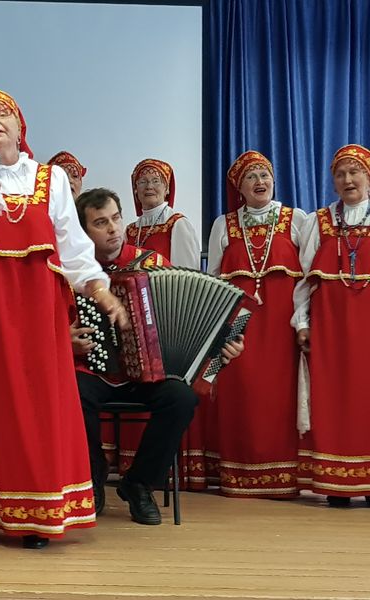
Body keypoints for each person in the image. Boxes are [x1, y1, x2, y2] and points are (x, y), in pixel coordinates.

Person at [0, 89, 128, 550]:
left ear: (19, 127)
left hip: (36, 311)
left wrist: (101, 291)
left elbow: (73, 247)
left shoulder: (51, 179)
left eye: (3, 113)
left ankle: (34, 513)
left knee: (35, 406)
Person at [72, 187, 243, 524]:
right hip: (95, 372)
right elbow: (49, 325)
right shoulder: (73, 272)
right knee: (72, 391)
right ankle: (92, 475)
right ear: (83, 231)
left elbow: (196, 316)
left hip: (148, 375)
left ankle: (139, 483)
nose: (113, 229)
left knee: (181, 399)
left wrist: (223, 346)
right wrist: (66, 340)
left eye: (116, 218)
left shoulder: (151, 263)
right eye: (100, 223)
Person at [206, 151, 305, 499]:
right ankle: (238, 475)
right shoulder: (223, 224)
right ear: (240, 187)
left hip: (282, 324)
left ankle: (285, 477)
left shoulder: (296, 219)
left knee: (280, 395)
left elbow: (308, 278)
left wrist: (303, 322)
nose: (259, 181)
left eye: (264, 174)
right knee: (240, 391)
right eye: (251, 176)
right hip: (238, 324)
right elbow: (213, 279)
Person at [293, 144, 370, 507]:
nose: (347, 179)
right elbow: (304, 280)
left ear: (367, 177)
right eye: (340, 174)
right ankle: (335, 484)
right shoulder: (318, 221)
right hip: (329, 330)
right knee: (332, 400)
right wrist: (302, 322)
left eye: (354, 172)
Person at [125, 158, 200, 269]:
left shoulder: (177, 224)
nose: (149, 186)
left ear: (167, 189)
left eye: (156, 181)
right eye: (142, 182)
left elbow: (186, 274)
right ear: (135, 189)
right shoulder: (130, 231)